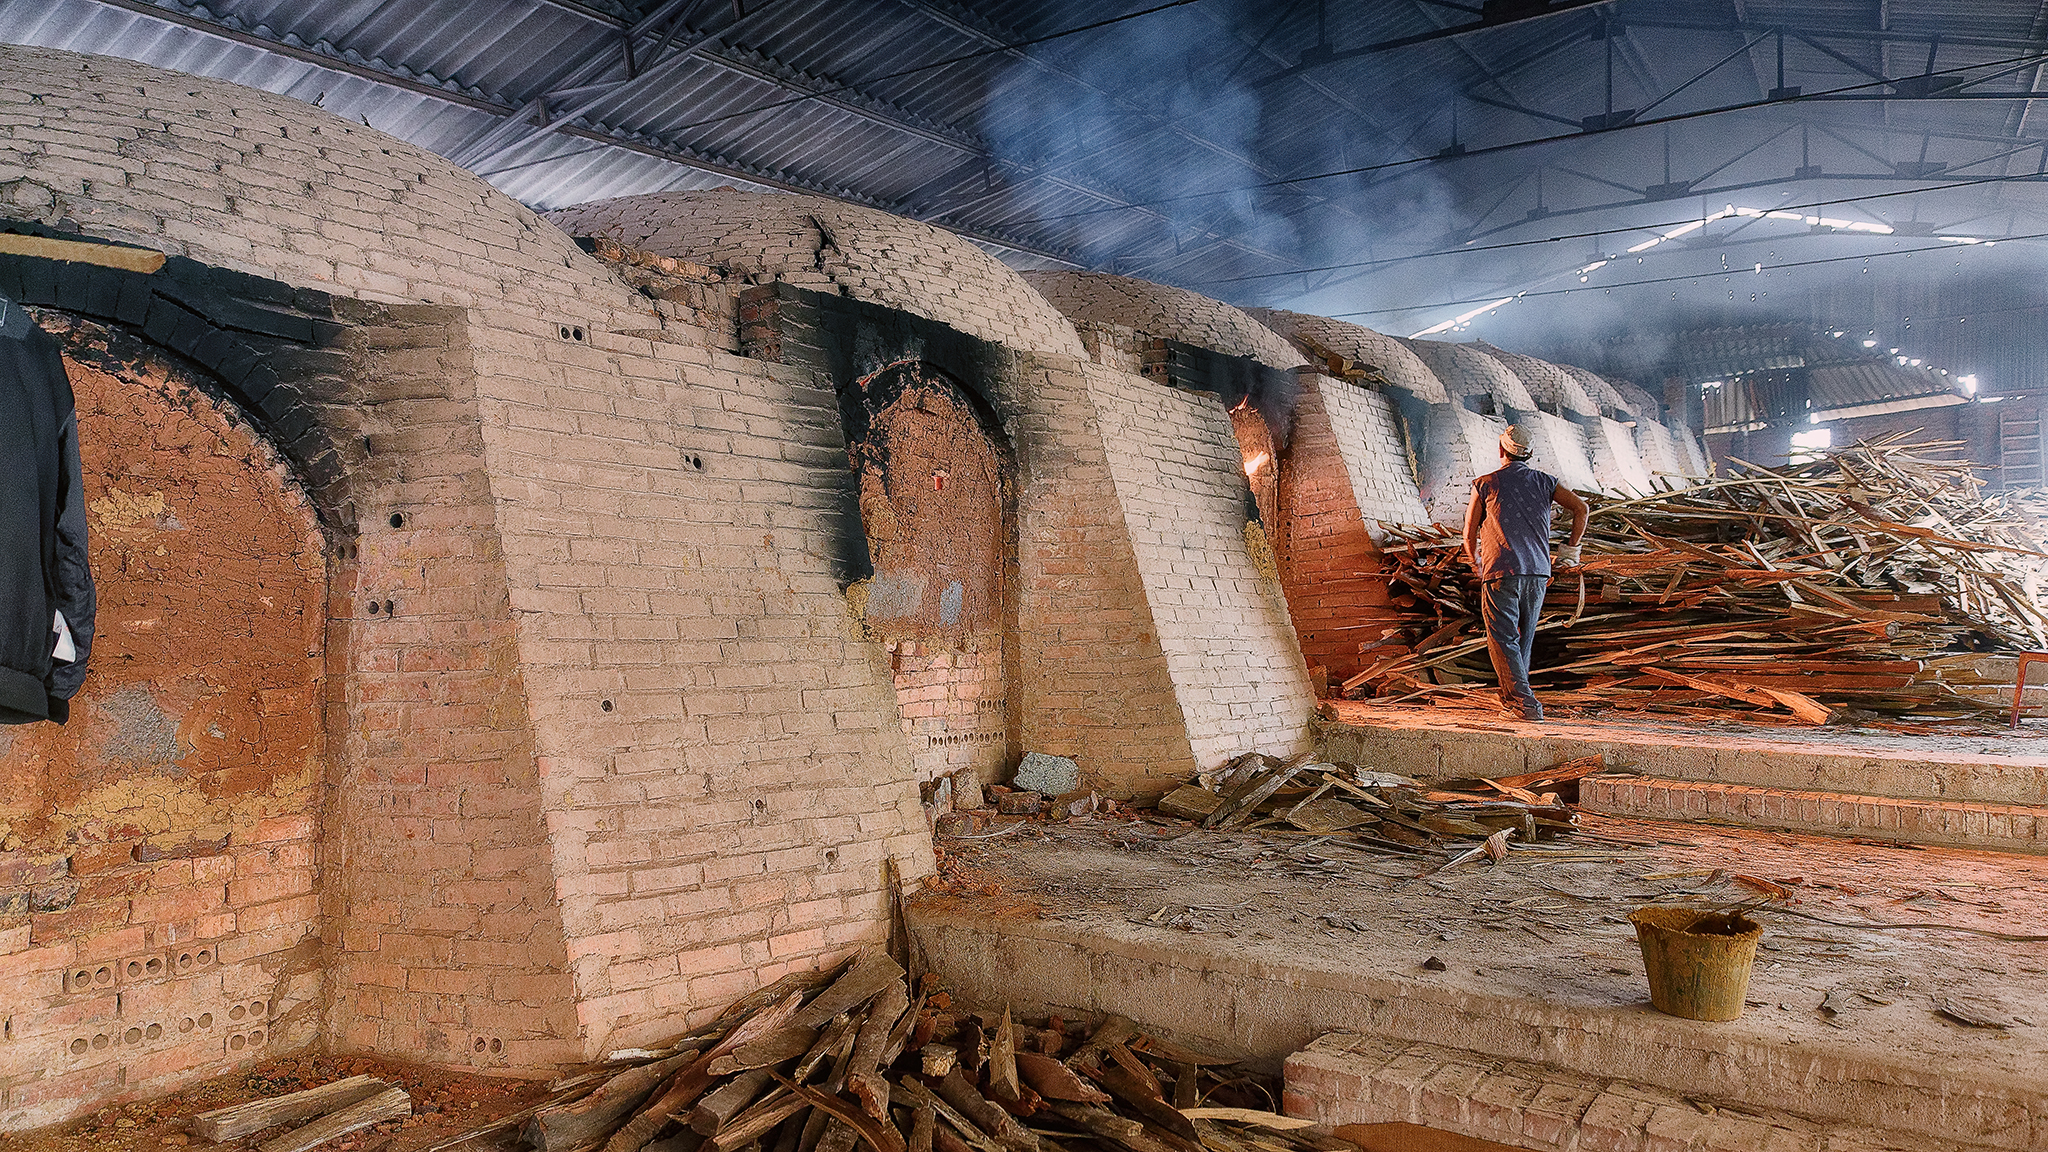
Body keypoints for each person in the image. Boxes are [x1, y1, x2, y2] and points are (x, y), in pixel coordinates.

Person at [1461, 424, 1587, 721]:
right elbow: (1582, 509)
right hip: (1538, 572)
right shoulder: (1546, 482)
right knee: (1523, 638)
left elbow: (1468, 535)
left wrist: (1475, 562)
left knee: (1503, 638)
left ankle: (1526, 704)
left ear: (1501, 449)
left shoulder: (1486, 484)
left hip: (1501, 569)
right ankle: (1511, 699)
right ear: (1528, 455)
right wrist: (1570, 551)